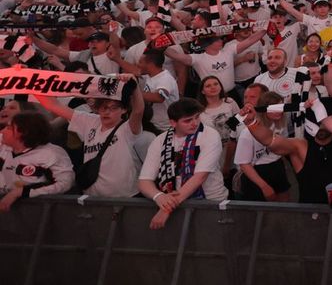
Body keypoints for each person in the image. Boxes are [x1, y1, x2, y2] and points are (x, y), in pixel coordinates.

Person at [34, 74, 145, 197]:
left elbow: (138, 110)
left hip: (125, 198)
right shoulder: (89, 120)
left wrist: (134, 85)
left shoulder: (127, 128)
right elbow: (53, 105)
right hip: (92, 197)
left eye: (113, 108)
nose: (107, 112)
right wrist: (30, 82)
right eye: (103, 108)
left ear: (124, 110)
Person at [138, 99, 228, 229]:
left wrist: (166, 208)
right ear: (173, 123)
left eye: (197, 117)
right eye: (187, 120)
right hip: (176, 204)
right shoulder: (160, 140)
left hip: (210, 201)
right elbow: (144, 181)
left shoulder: (210, 134)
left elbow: (200, 177)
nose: (195, 123)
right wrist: (159, 197)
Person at [0, 111, 75, 211]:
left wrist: (21, 192)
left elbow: (65, 183)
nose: (2, 131)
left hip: (40, 216)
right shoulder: (3, 148)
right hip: (8, 217)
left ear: (22, 132)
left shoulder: (51, 153)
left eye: (8, 128)